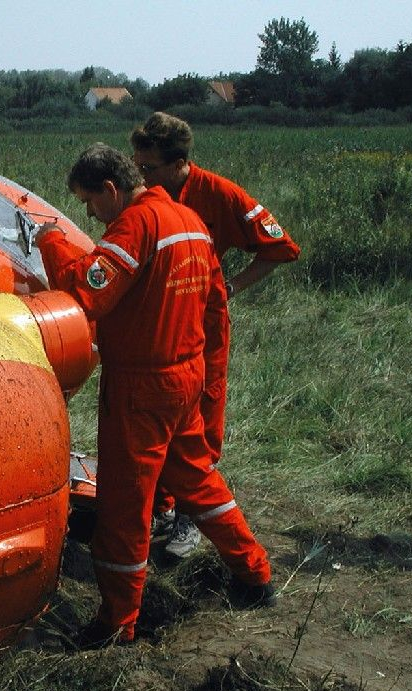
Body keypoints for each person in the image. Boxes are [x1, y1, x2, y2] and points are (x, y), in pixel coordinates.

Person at [36, 143, 274, 646]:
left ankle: (117, 620)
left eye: (90, 202)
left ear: (110, 189)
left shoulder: (135, 226)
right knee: (198, 481)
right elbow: (213, 303)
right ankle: (256, 574)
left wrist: (52, 242)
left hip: (141, 386)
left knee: (126, 500)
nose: (90, 215)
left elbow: (86, 292)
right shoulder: (188, 219)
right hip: (185, 376)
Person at [130, 112, 301, 560]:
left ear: (180, 163)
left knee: (201, 415)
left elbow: (281, 247)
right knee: (153, 413)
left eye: (150, 168)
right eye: (138, 167)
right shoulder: (144, 199)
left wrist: (232, 285)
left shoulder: (219, 194)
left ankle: (193, 516)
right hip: (158, 323)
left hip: (204, 325)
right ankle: (162, 507)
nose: (142, 177)